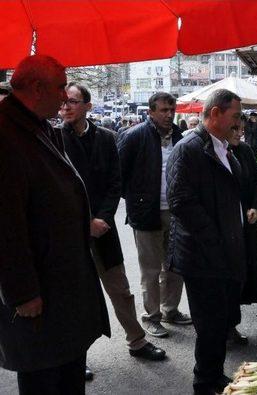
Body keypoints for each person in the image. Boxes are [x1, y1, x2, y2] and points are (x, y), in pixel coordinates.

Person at [0, 54, 110, 394]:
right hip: (38, 293)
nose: (65, 96)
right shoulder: (5, 134)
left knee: (66, 370)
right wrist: (23, 292)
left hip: (61, 286)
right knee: (44, 376)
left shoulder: (39, 126)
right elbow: (5, 224)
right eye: (61, 87)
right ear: (36, 87)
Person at [59, 83, 166, 369]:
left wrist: (103, 219)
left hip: (104, 230)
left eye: (72, 101)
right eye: (63, 102)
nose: (66, 107)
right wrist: (85, 222)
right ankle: (75, 356)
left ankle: (137, 340)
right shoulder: (54, 138)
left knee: (120, 288)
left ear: (88, 106)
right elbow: (56, 191)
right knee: (74, 296)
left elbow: (115, 182)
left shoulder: (107, 137)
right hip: (70, 232)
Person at [166, 89, 246, 395]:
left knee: (220, 322)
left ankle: (214, 376)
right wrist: (215, 241)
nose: (239, 123)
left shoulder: (222, 145)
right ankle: (205, 383)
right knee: (210, 325)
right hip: (202, 257)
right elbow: (180, 201)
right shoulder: (189, 148)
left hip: (221, 252)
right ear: (214, 114)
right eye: (235, 116)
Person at [117, 92, 191, 339]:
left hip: (175, 212)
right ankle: (152, 317)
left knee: (174, 266)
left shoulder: (180, 137)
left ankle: (171, 310)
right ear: (151, 112)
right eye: (163, 110)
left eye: (172, 109)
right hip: (147, 214)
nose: (169, 114)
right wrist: (137, 201)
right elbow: (118, 175)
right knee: (150, 270)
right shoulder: (135, 136)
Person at [228, 118, 257, 345]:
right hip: (222, 229)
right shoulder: (211, 152)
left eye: (242, 129)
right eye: (235, 129)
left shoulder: (244, 151)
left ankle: (231, 325)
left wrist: (256, 206)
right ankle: (224, 327)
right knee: (227, 279)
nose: (240, 133)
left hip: (245, 223)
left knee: (241, 275)